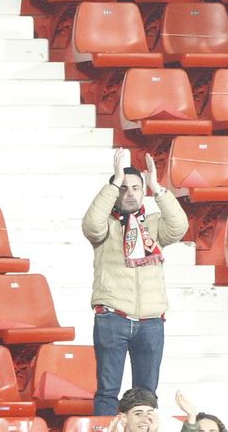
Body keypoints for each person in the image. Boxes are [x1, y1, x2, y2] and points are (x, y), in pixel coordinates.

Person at [82, 149, 187, 414]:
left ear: (143, 193)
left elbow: (179, 226)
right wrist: (114, 181)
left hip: (151, 321)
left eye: (136, 188)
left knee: (147, 394)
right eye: (124, 188)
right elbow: (91, 224)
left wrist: (157, 188)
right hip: (112, 318)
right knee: (107, 391)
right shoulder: (105, 226)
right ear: (116, 192)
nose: (130, 193)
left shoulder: (154, 225)